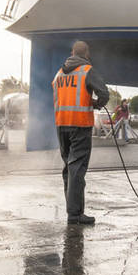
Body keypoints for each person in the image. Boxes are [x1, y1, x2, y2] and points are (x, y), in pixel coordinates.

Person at [52, 40, 109, 225]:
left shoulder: (59, 73)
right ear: (86, 53)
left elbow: (57, 95)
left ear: (72, 53)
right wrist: (95, 103)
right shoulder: (87, 70)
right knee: (76, 169)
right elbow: (104, 94)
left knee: (69, 169)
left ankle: (73, 210)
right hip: (80, 124)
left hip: (61, 124)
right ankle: (75, 214)